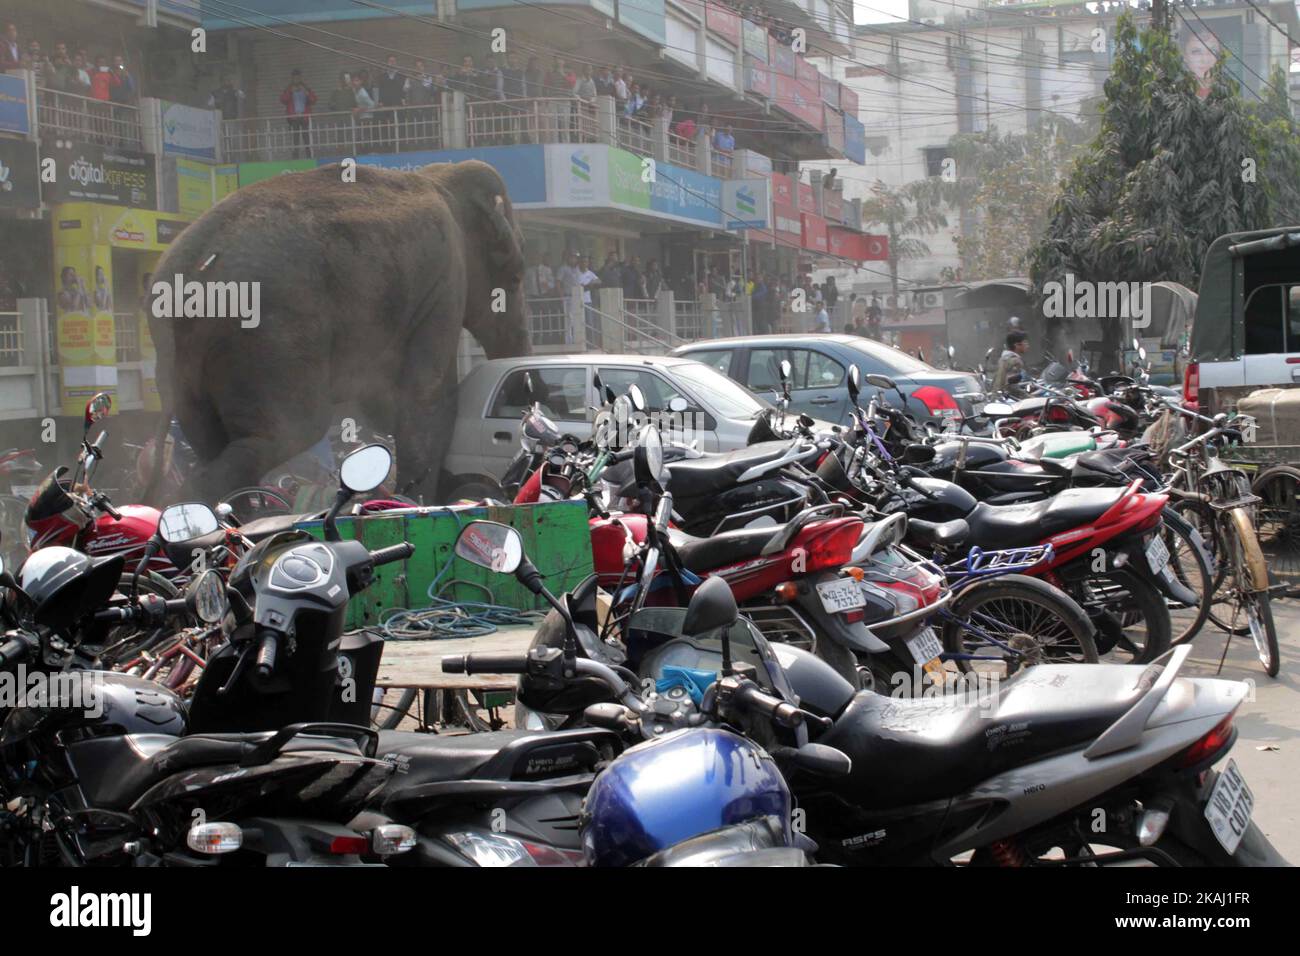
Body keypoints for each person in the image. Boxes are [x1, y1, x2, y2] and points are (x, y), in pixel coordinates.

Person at [280, 69, 317, 158]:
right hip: (294, 118)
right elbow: (283, 100)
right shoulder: (289, 88)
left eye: (298, 77)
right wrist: (290, 91)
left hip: (304, 117)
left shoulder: (305, 87)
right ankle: (295, 157)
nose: (296, 79)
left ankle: (309, 156)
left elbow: (313, 99)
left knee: (306, 138)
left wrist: (306, 92)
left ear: (300, 78)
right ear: (292, 78)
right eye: (294, 77)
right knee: (295, 139)